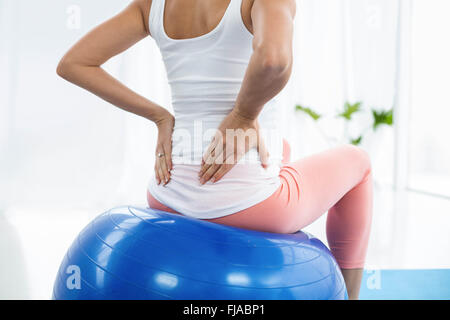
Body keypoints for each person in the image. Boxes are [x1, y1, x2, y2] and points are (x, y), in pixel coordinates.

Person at [56, 0, 372, 299]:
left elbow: (74, 63)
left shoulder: (151, 5)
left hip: (167, 195)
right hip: (251, 207)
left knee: (282, 147)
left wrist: (160, 116)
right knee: (359, 163)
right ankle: (352, 294)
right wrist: (243, 116)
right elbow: (274, 60)